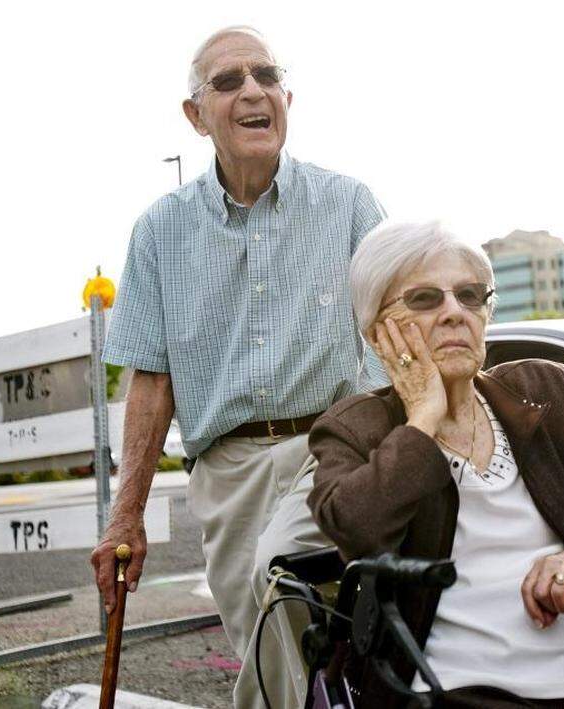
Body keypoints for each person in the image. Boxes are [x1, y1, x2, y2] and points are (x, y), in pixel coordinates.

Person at [90, 26, 385, 708]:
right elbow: (152, 379)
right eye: (227, 82)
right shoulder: (160, 231)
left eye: (265, 76)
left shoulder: (347, 205)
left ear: (286, 96)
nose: (252, 91)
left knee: (278, 577)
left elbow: (393, 330)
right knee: (264, 635)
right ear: (196, 116)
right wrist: (123, 517)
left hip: (333, 447)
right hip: (227, 472)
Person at [306, 221, 564, 708]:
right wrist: (422, 419)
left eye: (469, 295)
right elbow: (356, 531)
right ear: (379, 334)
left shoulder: (545, 392)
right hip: (458, 687)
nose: (455, 313)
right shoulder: (356, 428)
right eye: (424, 299)